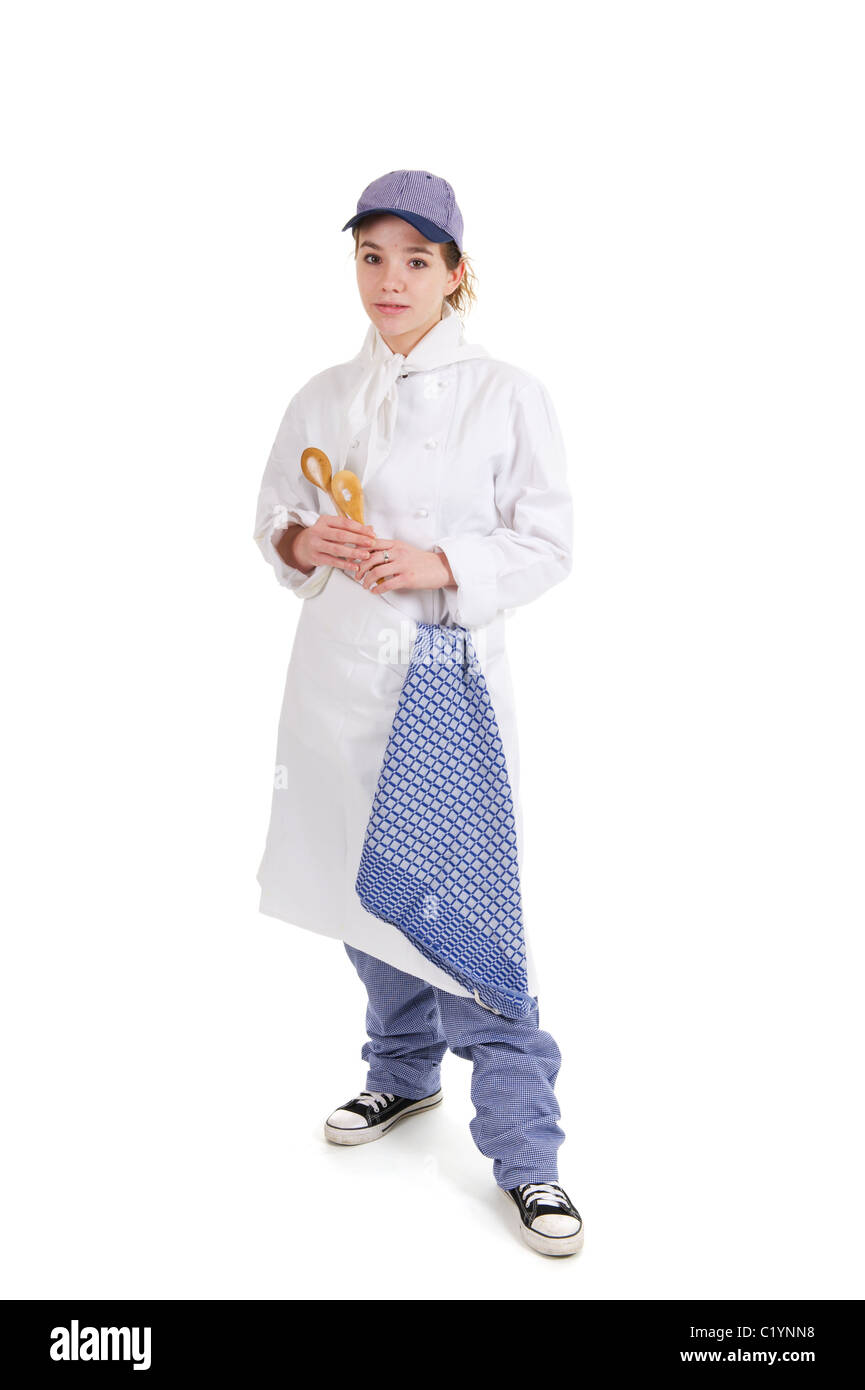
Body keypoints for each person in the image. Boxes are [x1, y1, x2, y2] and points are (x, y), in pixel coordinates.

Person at [253, 170, 583, 1257]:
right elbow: (275, 522)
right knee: (364, 890)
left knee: (476, 924)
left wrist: (433, 560)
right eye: (369, 256)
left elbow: (545, 543)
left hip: (447, 686)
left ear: (455, 272)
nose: (388, 280)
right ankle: (400, 1078)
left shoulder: (508, 395)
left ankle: (527, 1156)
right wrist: (310, 545)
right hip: (335, 683)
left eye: (414, 259)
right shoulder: (321, 395)